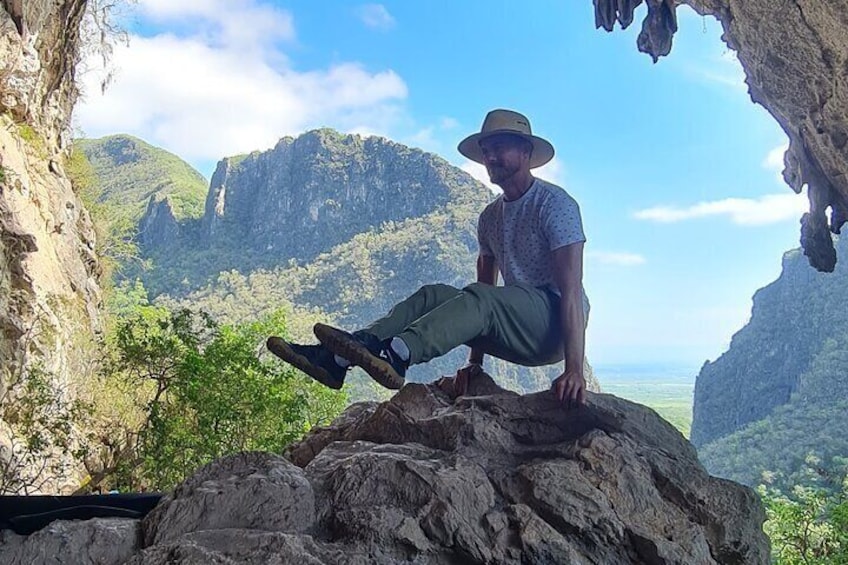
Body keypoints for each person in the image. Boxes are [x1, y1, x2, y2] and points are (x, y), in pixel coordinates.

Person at [267, 109, 589, 405]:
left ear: (526, 152)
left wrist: (575, 369)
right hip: (516, 321)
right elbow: (483, 295)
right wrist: (474, 365)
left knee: (480, 297)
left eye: (500, 147)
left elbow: (571, 291)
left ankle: (399, 354)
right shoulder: (490, 218)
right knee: (433, 295)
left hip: (555, 325)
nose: (490, 156)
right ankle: (337, 359)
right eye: (486, 150)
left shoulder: (555, 205)